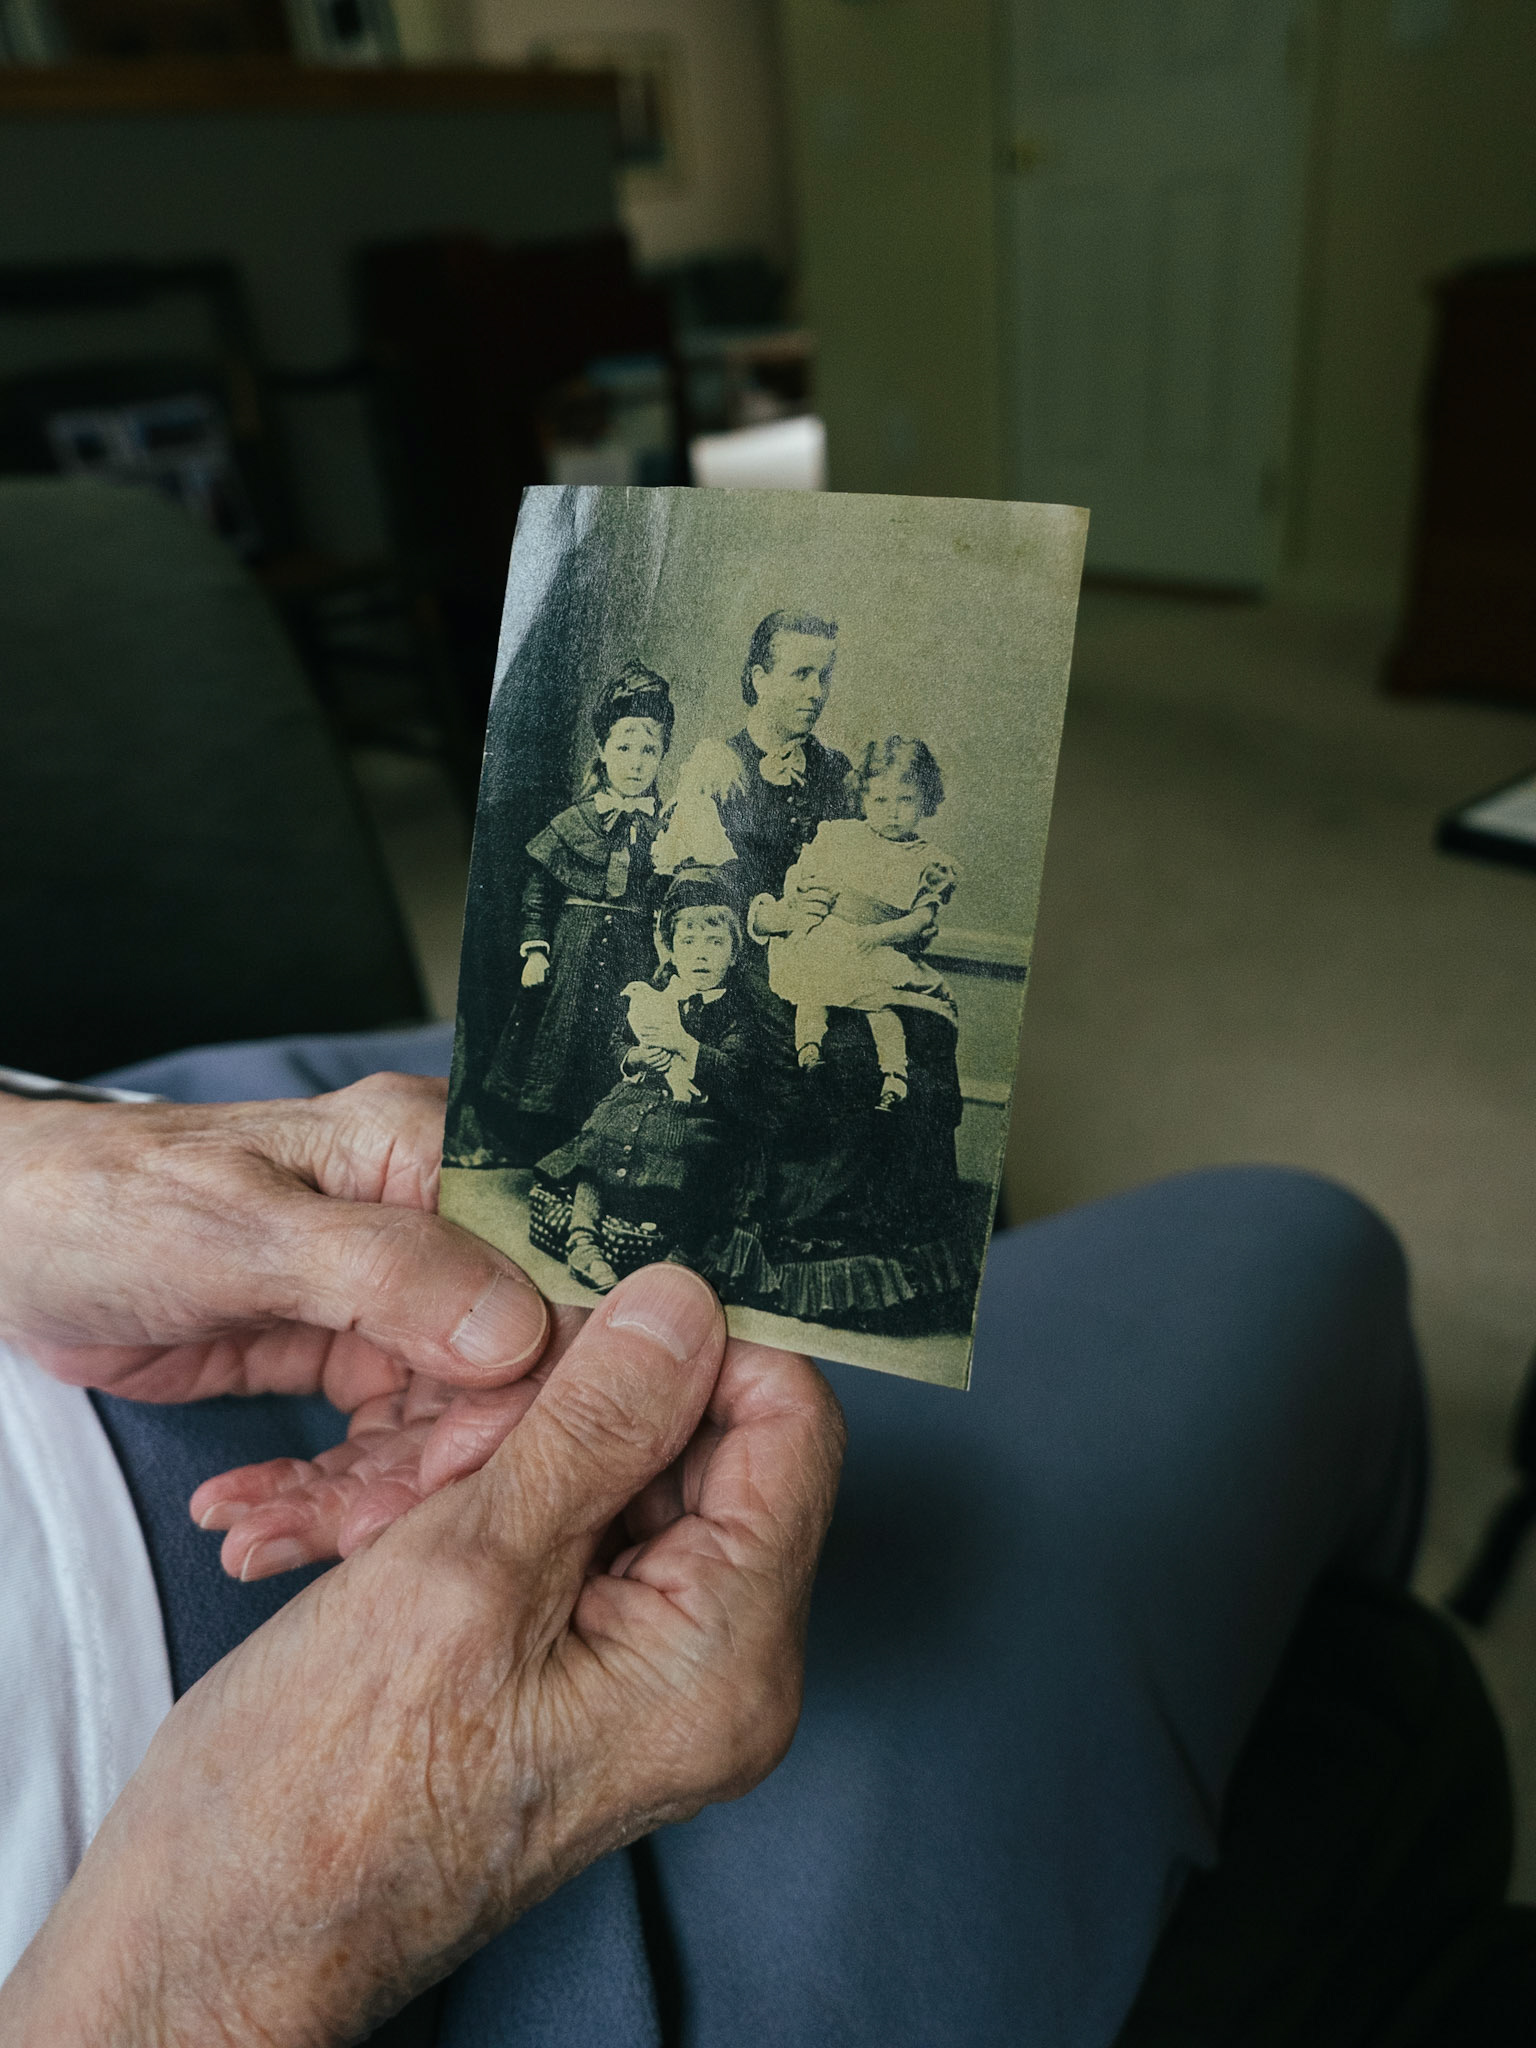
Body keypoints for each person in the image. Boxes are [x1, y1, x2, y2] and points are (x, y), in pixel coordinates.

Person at [0, 1029, 1425, 2047]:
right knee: (1300, 1244)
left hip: (100, 1256)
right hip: (272, 1843)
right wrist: (203, 1987)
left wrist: (33, 1159)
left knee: (722, 1115)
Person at [532, 876, 758, 1293]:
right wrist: (634, 1057)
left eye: (714, 943)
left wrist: (688, 1047)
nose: (700, 954)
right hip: (639, 1093)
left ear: (734, 952)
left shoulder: (737, 1009)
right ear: (671, 949)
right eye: (688, 943)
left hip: (698, 1107)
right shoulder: (657, 992)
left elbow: (737, 1068)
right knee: (603, 1129)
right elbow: (618, 1040)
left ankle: (684, 1253)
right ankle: (583, 1237)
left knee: (691, 1150)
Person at [485, 663, 675, 1159]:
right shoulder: (574, 823)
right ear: (602, 751)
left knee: (610, 1048)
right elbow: (539, 897)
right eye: (624, 749)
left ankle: (595, 1151)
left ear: (662, 756)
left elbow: (667, 900)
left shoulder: (668, 830)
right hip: (570, 954)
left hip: (631, 959)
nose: (635, 763)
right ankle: (547, 1147)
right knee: (560, 1042)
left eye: (648, 751)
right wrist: (535, 951)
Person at [768, 736, 958, 1112]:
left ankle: (894, 1077)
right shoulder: (842, 836)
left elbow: (921, 920)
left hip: (878, 943)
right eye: (880, 800)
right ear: (864, 798)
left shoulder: (929, 861)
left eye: (905, 800)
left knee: (880, 1008)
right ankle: (809, 1051)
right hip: (832, 932)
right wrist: (803, 888)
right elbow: (803, 875)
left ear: (925, 800)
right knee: (812, 990)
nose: (892, 812)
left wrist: (876, 936)